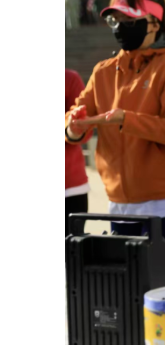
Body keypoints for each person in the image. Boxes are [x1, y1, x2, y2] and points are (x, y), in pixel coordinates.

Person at [65, 0, 165, 266]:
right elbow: (77, 116)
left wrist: (127, 119)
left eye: (129, 20)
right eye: (115, 20)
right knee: (125, 284)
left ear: (154, 22)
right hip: (119, 201)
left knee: (156, 282)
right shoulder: (103, 72)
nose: (119, 27)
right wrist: (72, 128)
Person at [65, 69, 88, 235]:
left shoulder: (69, 79)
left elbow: (84, 130)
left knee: (70, 247)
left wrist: (73, 130)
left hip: (69, 189)